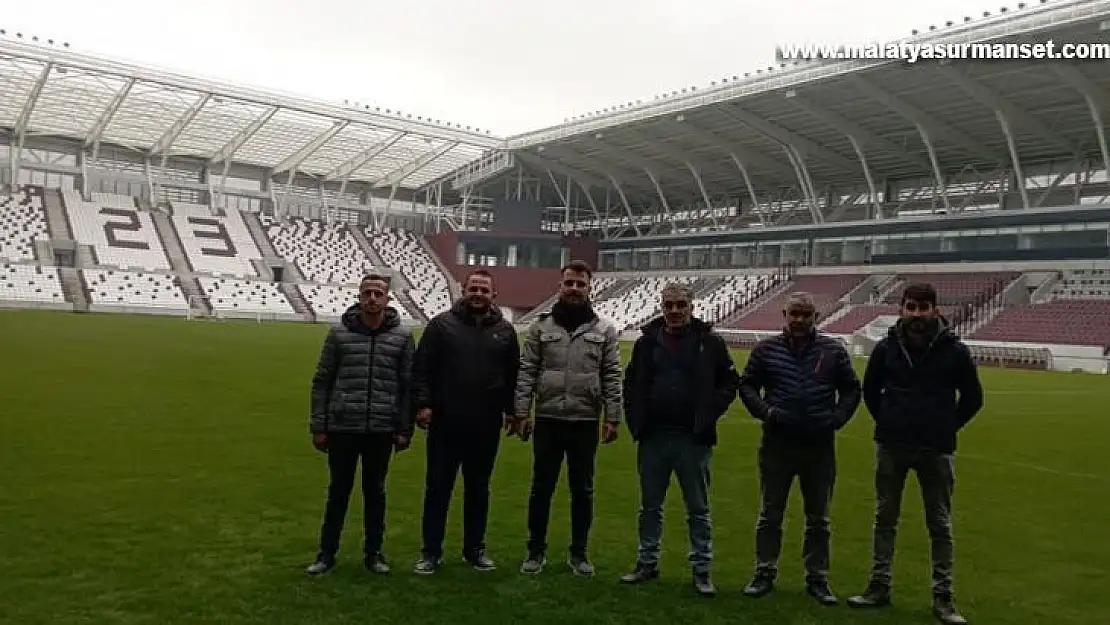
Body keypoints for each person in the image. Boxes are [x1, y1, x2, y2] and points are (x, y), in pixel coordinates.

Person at [847, 283, 983, 625]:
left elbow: (973, 398)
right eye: (911, 307)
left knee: (939, 524)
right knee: (885, 519)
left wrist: (945, 427)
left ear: (936, 310)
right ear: (901, 309)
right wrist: (891, 420)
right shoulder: (885, 348)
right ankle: (879, 587)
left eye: (924, 308)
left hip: (936, 450)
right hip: (892, 445)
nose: (917, 314)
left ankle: (943, 598)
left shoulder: (955, 351)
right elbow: (870, 391)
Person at [736, 292, 862, 605]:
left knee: (818, 517)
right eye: (795, 314)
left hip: (818, 446)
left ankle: (817, 577)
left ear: (816, 316)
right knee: (770, 513)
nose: (800, 320)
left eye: (806, 314)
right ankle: (764, 571)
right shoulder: (767, 350)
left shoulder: (832, 351)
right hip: (777, 443)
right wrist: (766, 412)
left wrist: (836, 419)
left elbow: (851, 389)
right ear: (785, 314)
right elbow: (747, 384)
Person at [618, 283, 740, 597]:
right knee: (649, 507)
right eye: (668, 304)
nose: (674, 310)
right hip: (654, 437)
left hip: (693, 439)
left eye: (680, 305)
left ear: (691, 306)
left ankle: (702, 569)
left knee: (698, 508)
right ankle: (647, 562)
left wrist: (709, 413)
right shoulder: (647, 343)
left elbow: (730, 381)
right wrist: (636, 420)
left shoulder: (709, 342)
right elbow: (631, 383)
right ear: (661, 306)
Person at [513, 260, 622, 577]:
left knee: (583, 491)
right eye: (569, 283)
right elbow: (527, 371)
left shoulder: (604, 330)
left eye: (580, 284)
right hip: (547, 419)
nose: (574, 289)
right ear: (560, 286)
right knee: (541, 488)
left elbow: (612, 375)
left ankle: (579, 553)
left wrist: (612, 416)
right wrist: (521, 412)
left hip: (585, 421)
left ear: (590, 288)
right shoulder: (540, 327)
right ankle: (535, 551)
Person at [305, 273, 415, 576]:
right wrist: (319, 425)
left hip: (381, 428)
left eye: (378, 293)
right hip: (343, 426)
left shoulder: (403, 337)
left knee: (375, 493)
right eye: (367, 292)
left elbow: (408, 386)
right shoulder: (339, 334)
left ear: (387, 299)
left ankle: (374, 554)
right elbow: (321, 381)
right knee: (338, 492)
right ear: (359, 296)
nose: (372, 298)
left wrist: (405, 428)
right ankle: (326, 554)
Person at [411, 269, 520, 574]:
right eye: (473, 288)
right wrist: (423, 404)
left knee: (479, 489)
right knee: (438, 488)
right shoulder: (441, 325)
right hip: (446, 422)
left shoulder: (505, 332)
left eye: (484, 290)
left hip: (485, 424)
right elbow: (422, 368)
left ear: (493, 295)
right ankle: (430, 552)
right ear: (463, 290)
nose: (478, 294)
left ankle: (475, 549)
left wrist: (513, 411)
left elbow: (513, 376)